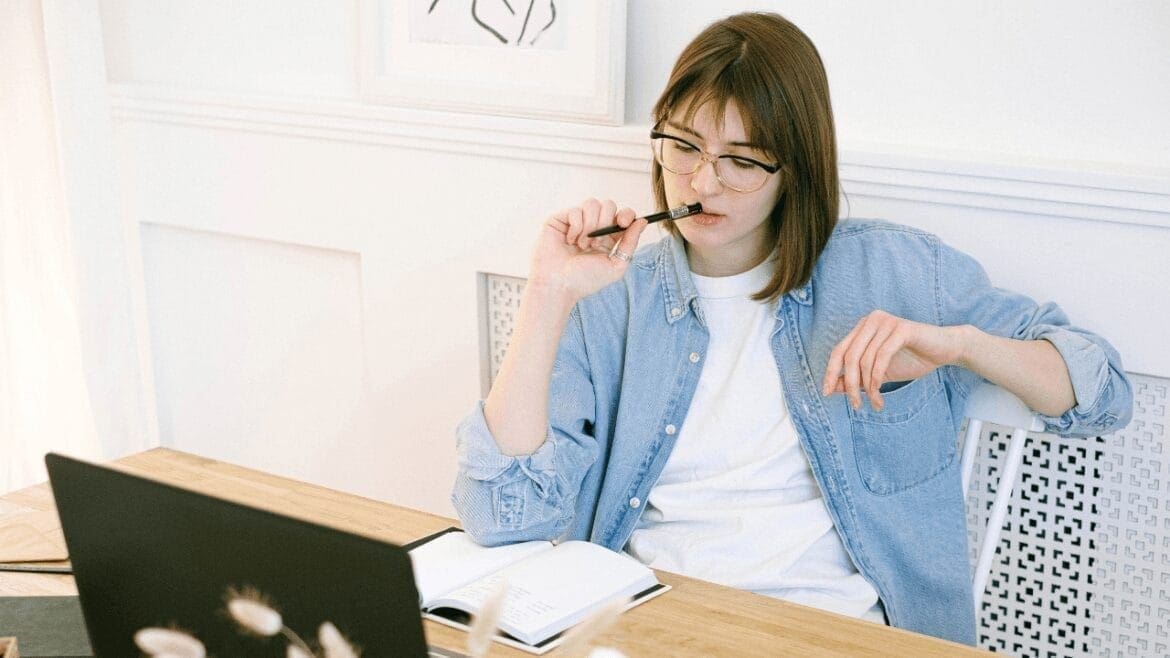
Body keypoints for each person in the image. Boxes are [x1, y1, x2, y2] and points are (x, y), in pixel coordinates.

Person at [451, 11, 1133, 645]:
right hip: (654, 621)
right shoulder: (612, 297)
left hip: (831, 633)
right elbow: (503, 515)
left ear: (794, 167)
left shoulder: (895, 270)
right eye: (682, 147)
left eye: (742, 161)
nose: (702, 184)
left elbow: (1101, 393)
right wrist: (548, 294)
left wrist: (961, 346)